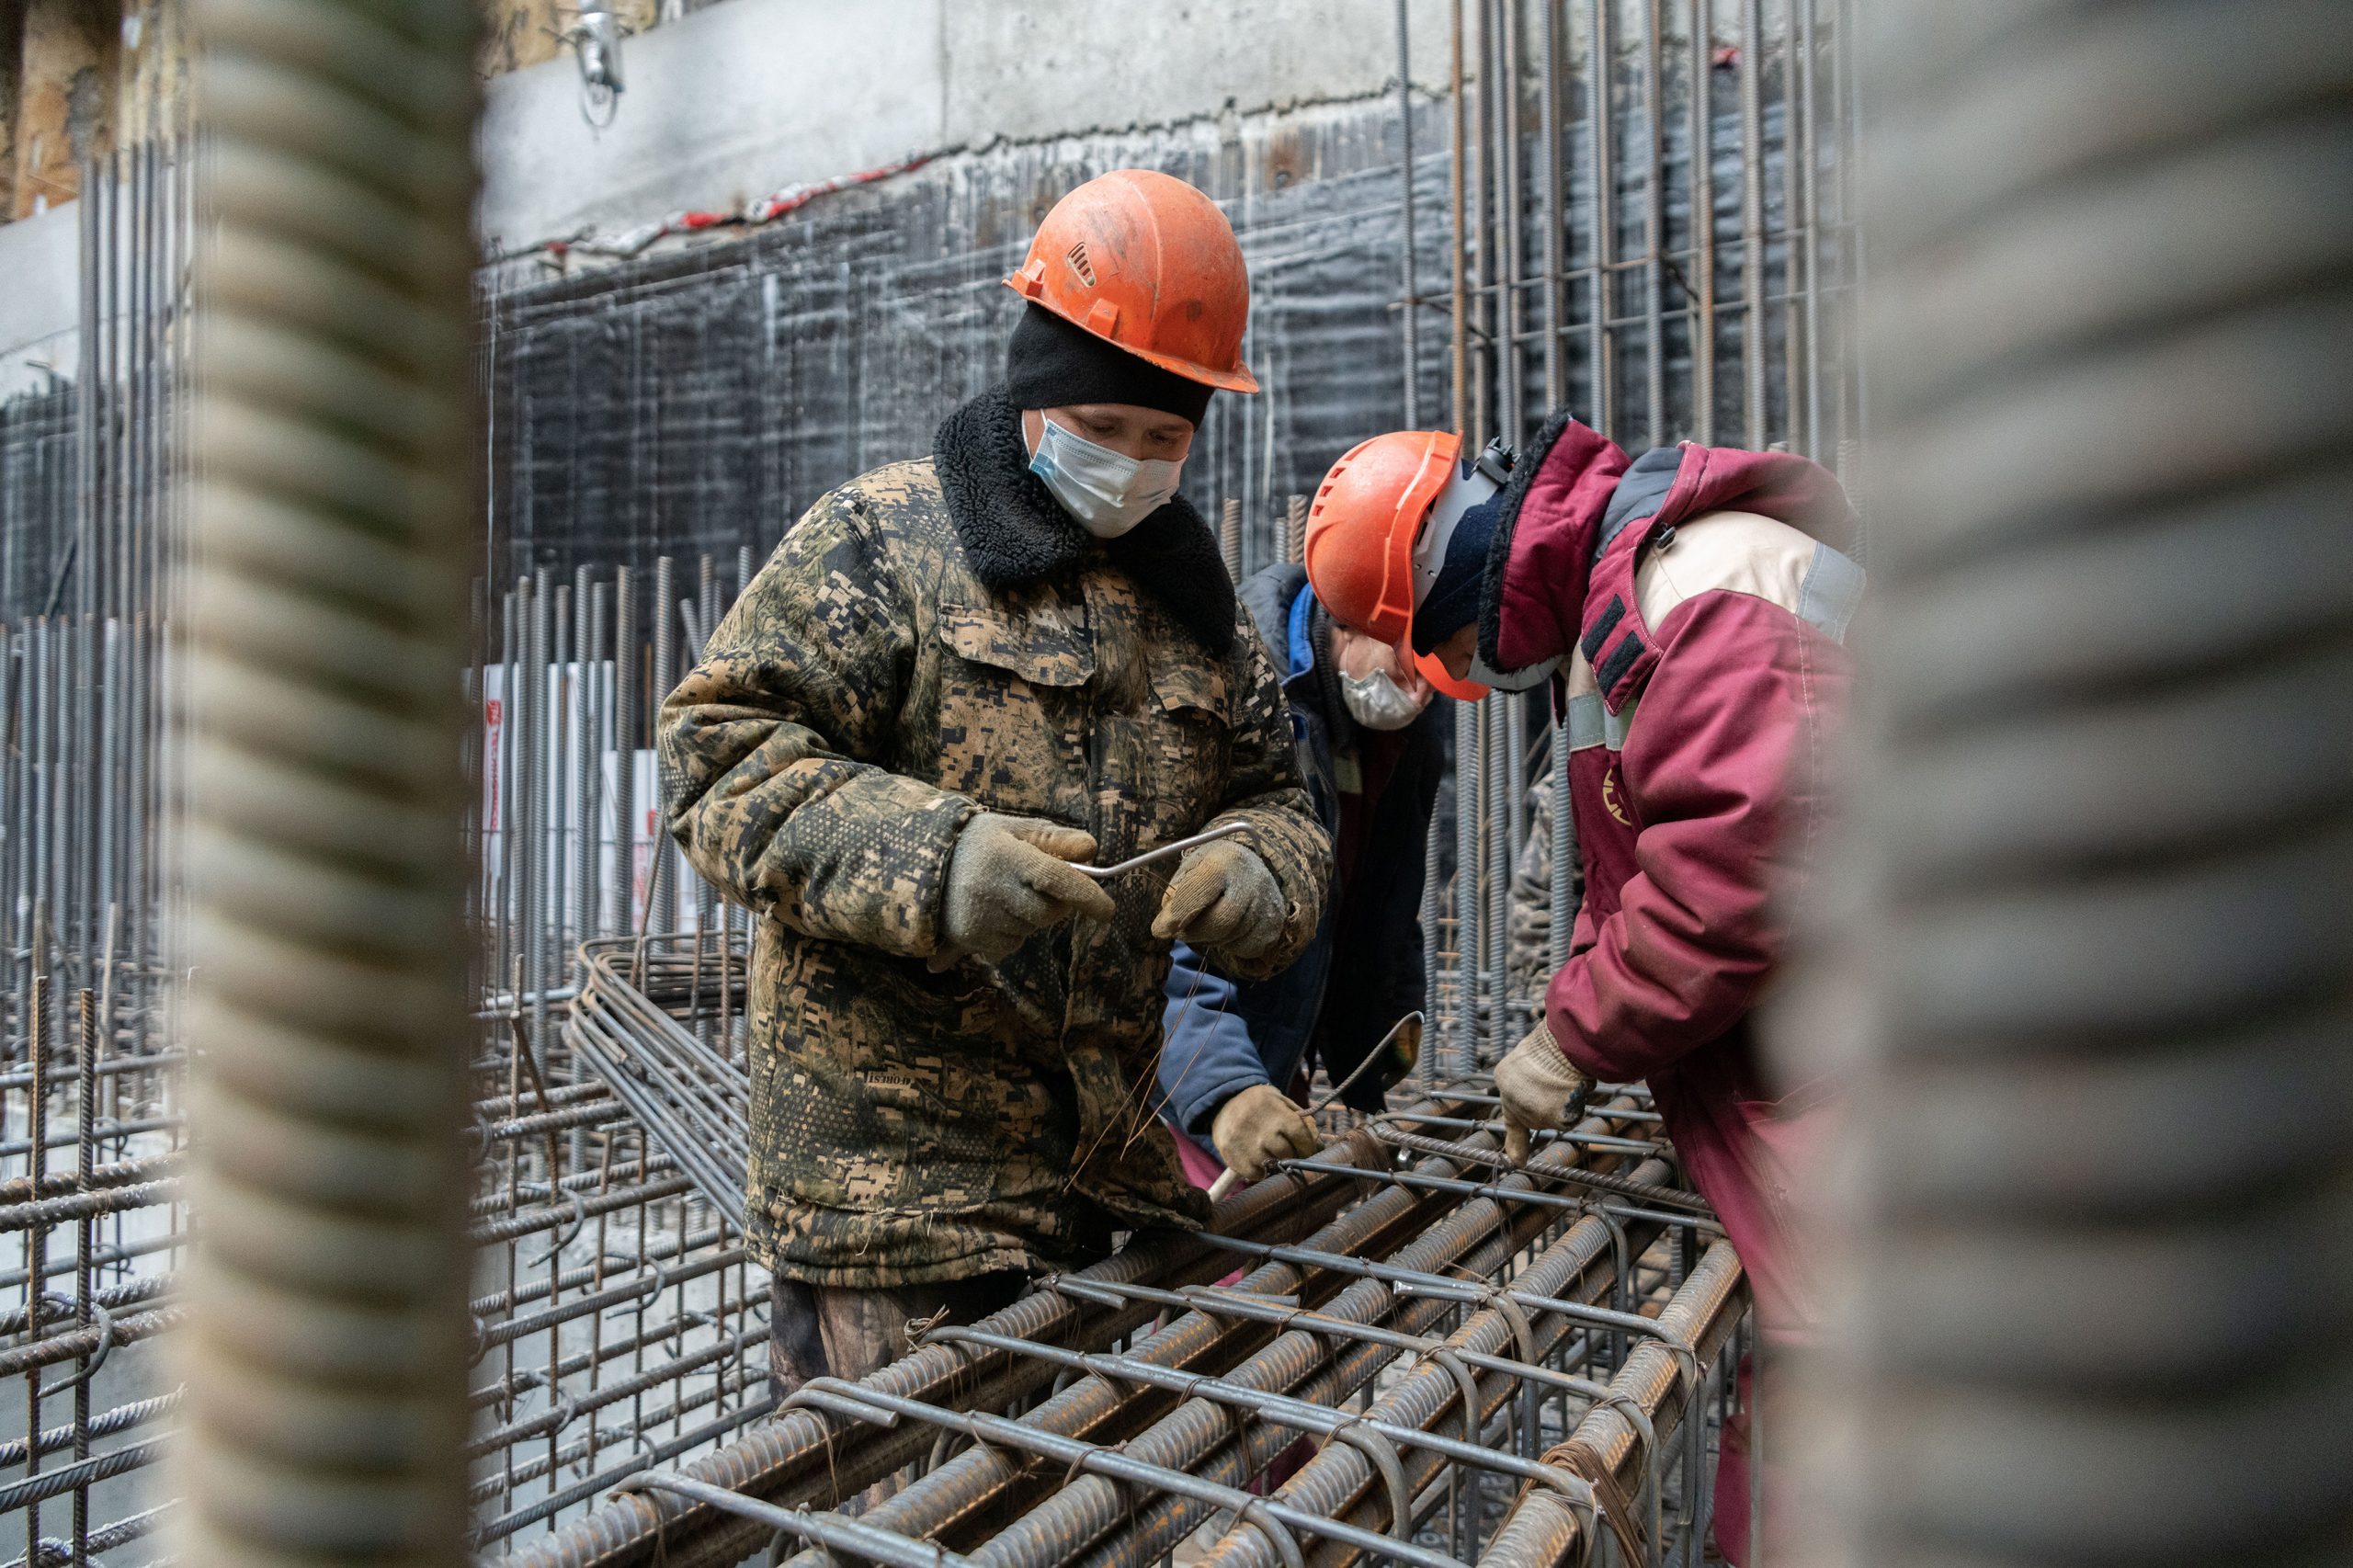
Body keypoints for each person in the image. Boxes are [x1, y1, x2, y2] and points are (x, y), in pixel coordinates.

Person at [661, 169, 1331, 1396]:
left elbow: (1277, 798)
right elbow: (719, 756)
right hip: (899, 1203)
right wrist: (940, 861)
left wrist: (1259, 871)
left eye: (1161, 439)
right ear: (1033, 392)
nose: (1129, 463)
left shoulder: (1197, 611)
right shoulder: (885, 543)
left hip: (1099, 1186)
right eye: (1101, 427)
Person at [1302, 415, 1860, 1563]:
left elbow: (1738, 867)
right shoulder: (1625, 597)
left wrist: (1574, 1033)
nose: (1463, 672)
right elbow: (1640, 868)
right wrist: (1579, 999)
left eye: (1446, 643)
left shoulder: (1690, 583)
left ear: (1460, 578)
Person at [1154, 562, 1444, 1188]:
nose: (1420, 689)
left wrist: (1380, 1051)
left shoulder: (1403, 729)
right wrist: (1224, 1088)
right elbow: (1163, 929)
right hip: (1182, 1078)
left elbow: (1384, 903)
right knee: (1214, 1272)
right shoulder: (1231, 687)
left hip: (1277, 1063)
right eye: (1407, 654)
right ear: (1351, 613)